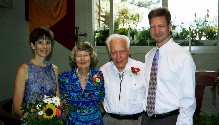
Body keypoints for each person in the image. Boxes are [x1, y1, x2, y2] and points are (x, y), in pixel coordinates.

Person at [141, 7, 196, 125]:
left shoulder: (182, 57)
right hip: (147, 119)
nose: (157, 31)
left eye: (161, 26)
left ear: (169, 27)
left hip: (170, 120)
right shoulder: (149, 56)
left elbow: (188, 100)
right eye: (153, 27)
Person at [13, 27, 60, 116]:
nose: (45, 46)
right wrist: (35, 120)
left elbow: (57, 100)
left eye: (48, 42)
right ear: (33, 45)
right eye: (40, 42)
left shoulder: (54, 69)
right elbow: (17, 107)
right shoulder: (24, 69)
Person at [100, 34, 146, 125]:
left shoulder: (143, 69)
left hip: (135, 121)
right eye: (114, 52)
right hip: (109, 121)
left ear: (129, 51)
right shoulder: (103, 70)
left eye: (122, 52)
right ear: (109, 54)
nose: (118, 56)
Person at [58, 41, 105, 125]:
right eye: (79, 56)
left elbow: (102, 98)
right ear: (74, 58)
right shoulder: (64, 78)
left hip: (95, 122)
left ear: (91, 57)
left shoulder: (99, 76)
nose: (82, 59)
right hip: (73, 122)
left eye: (86, 55)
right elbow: (59, 101)